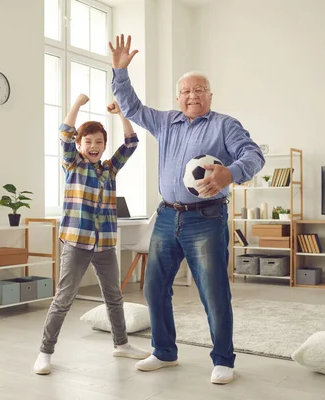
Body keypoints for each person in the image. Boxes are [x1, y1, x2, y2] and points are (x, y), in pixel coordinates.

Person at [108, 34, 266, 384]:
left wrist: (230, 173)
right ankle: (164, 351)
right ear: (177, 97)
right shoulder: (165, 121)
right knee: (154, 287)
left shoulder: (225, 125)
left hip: (207, 219)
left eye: (199, 90)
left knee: (213, 291)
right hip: (166, 216)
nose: (192, 96)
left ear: (210, 95)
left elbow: (254, 156)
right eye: (186, 91)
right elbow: (131, 107)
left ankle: (223, 359)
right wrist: (120, 72)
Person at [33, 94, 150, 375]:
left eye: (99, 142)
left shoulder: (109, 169)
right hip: (76, 242)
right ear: (79, 144)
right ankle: (45, 353)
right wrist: (76, 105)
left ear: (104, 145)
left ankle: (121, 344)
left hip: (106, 244)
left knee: (114, 297)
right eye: (88, 142)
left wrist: (121, 113)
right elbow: (64, 133)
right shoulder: (73, 165)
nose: (94, 146)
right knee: (63, 299)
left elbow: (132, 142)